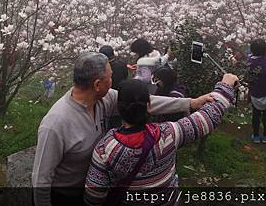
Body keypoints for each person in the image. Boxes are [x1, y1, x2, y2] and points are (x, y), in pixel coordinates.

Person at [32, 52, 215, 206]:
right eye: (110, 77)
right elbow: (41, 178)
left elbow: (144, 103)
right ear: (97, 84)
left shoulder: (104, 99)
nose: (113, 81)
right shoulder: (55, 124)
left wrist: (190, 103)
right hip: (66, 196)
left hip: (94, 188)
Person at [84, 75, 237, 205]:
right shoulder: (168, 134)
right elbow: (207, 118)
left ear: (118, 107)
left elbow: (94, 197)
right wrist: (225, 87)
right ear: (149, 105)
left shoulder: (105, 148)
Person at [246, 39, 266, 144]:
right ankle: (265, 136)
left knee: (256, 115)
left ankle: (255, 136)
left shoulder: (249, 61)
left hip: (256, 93)